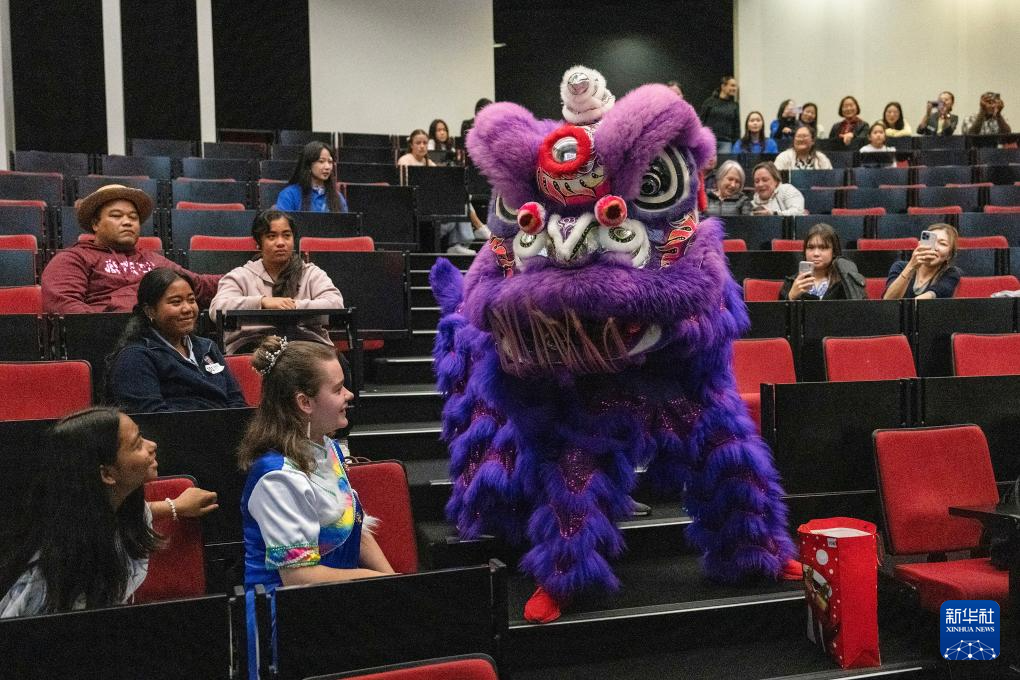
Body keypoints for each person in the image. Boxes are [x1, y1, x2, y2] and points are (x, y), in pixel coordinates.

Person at [239, 337, 395, 677]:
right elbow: (300, 577)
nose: (349, 395)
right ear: (304, 402)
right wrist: (376, 583)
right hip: (287, 622)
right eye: (338, 389)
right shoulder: (277, 477)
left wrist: (395, 583)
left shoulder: (327, 447)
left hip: (333, 602)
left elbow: (356, 528)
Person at [0, 407, 218, 618]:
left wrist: (175, 506)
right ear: (107, 474)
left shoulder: (100, 513)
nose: (152, 445)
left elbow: (134, 513)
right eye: (137, 445)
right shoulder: (56, 570)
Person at [42, 184, 220, 314]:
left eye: (133, 217)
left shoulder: (152, 259)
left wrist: (238, 275)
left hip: (158, 336)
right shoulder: (74, 258)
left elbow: (200, 285)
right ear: (95, 224)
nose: (127, 222)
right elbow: (65, 305)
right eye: (116, 216)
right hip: (107, 339)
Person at [107, 268, 247, 413]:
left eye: (191, 300)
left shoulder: (208, 347)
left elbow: (237, 400)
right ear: (150, 311)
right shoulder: (136, 357)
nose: (188, 309)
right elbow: (152, 417)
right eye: (176, 302)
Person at [210, 210, 344, 353]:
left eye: (286, 235)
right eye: (271, 236)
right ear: (258, 242)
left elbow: (336, 304)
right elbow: (217, 309)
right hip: (254, 347)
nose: (280, 243)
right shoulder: (240, 276)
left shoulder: (311, 273)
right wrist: (262, 302)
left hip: (307, 346)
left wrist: (292, 307)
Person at [779, 223, 865, 300]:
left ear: (834, 252)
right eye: (811, 247)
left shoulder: (846, 282)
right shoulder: (791, 283)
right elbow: (778, 312)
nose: (816, 254)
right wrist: (790, 297)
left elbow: (861, 309)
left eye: (823, 248)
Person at [883, 224, 962, 300]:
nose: (934, 247)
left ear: (949, 256)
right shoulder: (900, 266)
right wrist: (911, 266)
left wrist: (908, 306)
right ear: (920, 244)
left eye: (942, 244)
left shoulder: (952, 273)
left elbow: (935, 293)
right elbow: (888, 300)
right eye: (931, 241)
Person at [274, 142, 349, 213]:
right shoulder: (289, 194)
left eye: (330, 162)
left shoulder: (338, 197)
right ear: (309, 165)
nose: (327, 167)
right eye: (321, 161)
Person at [699, 76, 740, 154]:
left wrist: (735, 144)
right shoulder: (709, 102)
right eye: (732, 85)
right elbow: (701, 121)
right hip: (709, 140)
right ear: (723, 86)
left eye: (736, 86)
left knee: (724, 161)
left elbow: (736, 127)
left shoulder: (734, 106)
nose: (735, 88)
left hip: (726, 142)